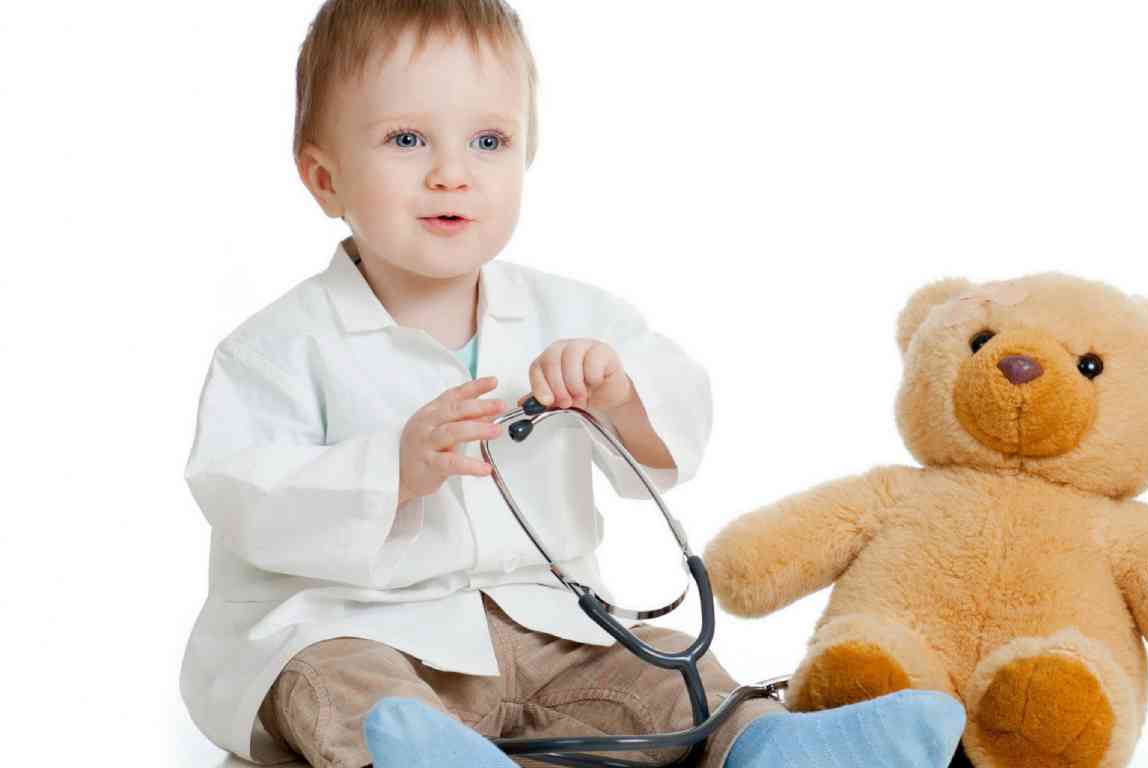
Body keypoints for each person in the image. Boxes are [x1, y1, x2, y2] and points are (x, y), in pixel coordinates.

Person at [180, 2, 966, 766]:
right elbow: (245, 494)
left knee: (671, 674)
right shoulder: (276, 348)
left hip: (551, 629)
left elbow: (674, 433)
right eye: (408, 138)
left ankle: (771, 747)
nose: (452, 174)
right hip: (362, 626)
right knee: (338, 687)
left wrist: (619, 397)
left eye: (488, 140)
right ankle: (426, 757)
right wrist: (393, 469)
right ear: (324, 178)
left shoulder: (570, 316)